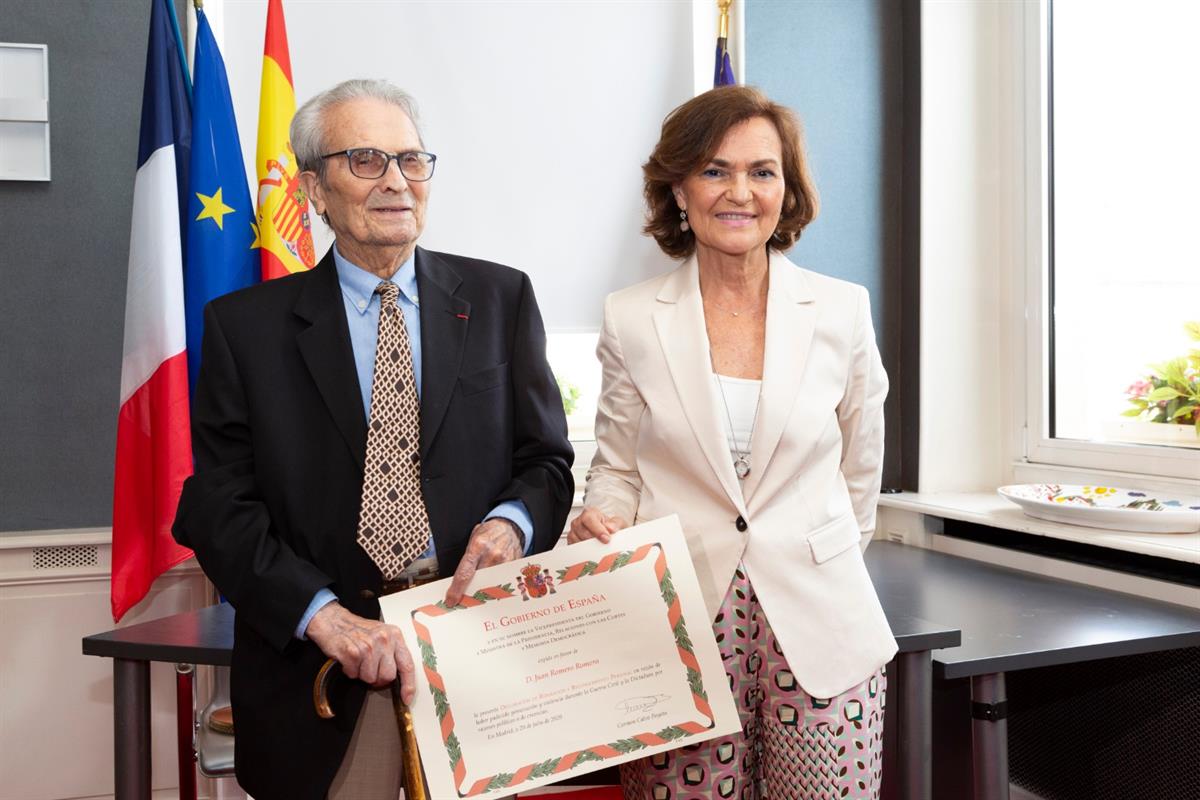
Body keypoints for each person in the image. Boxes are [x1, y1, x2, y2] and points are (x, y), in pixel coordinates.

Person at [173, 79, 573, 800]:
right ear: (314, 190)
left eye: (411, 160)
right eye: (365, 159)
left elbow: (545, 462)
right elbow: (220, 509)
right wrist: (323, 618)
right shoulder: (245, 328)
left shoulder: (499, 299)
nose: (396, 180)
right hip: (322, 678)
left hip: (479, 666)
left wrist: (513, 525)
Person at [570, 85, 896, 800]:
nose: (739, 192)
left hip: (821, 623)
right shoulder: (631, 318)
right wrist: (602, 517)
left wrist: (818, 553)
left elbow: (860, 467)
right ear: (679, 189)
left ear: (787, 190)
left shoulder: (843, 310)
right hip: (679, 626)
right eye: (715, 171)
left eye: (762, 171)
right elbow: (618, 467)